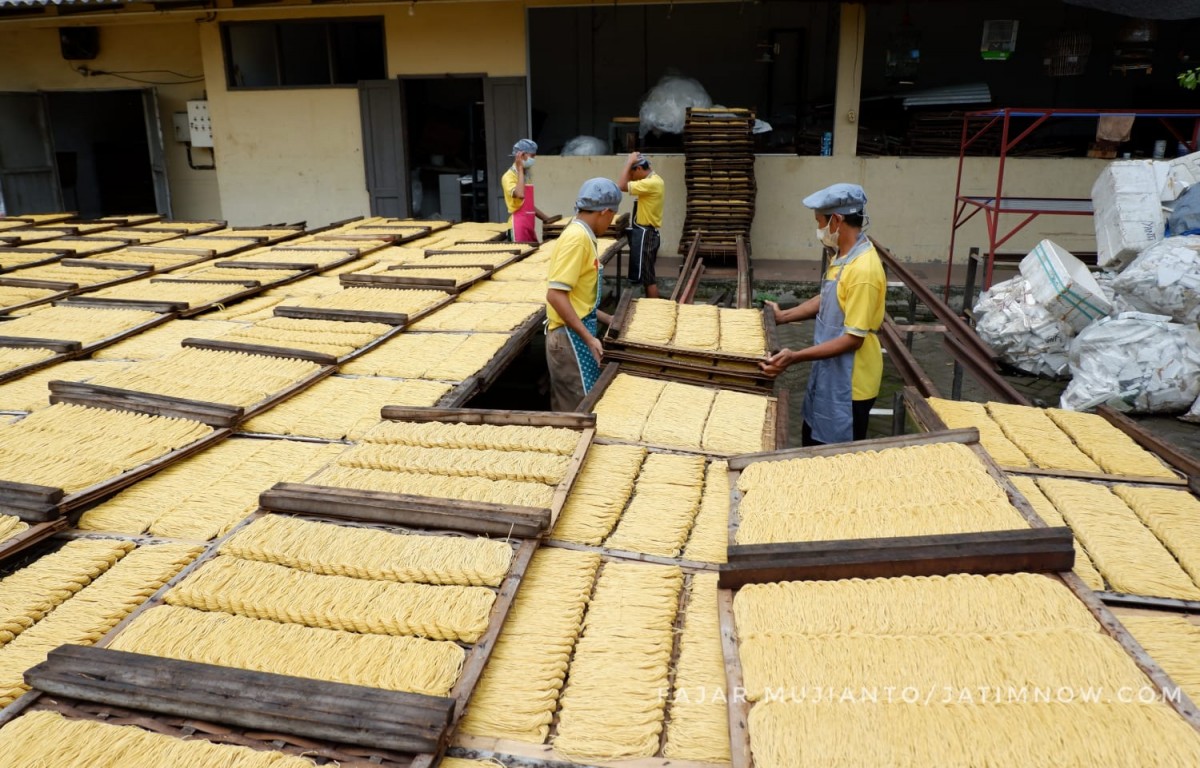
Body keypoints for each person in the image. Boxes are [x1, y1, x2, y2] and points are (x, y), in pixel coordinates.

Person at [760, 182, 886, 446]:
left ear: (836, 220)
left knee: (835, 456)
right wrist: (784, 317)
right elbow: (830, 297)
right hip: (830, 371)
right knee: (813, 440)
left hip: (850, 385)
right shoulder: (844, 255)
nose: (819, 229)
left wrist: (794, 357)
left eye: (820, 222)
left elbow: (853, 339)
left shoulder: (863, 270)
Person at [545, 178, 622, 411]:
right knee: (577, 412)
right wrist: (589, 339)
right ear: (605, 212)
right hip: (568, 339)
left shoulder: (582, 234)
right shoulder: (577, 239)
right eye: (612, 217)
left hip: (574, 334)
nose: (610, 223)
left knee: (575, 406)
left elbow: (577, 299)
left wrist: (608, 319)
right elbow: (555, 295)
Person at [617, 151, 664, 298]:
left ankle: (653, 307)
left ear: (638, 168)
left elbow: (621, 185)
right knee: (646, 276)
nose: (631, 177)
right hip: (645, 233)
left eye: (632, 172)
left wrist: (629, 162)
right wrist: (630, 164)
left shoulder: (651, 183)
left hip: (647, 235)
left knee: (648, 278)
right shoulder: (654, 180)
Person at [501, 138, 551, 243]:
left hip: (529, 224)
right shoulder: (509, 177)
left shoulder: (525, 175)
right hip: (517, 226)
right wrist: (520, 169)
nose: (533, 159)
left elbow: (528, 205)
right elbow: (520, 194)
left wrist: (547, 219)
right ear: (522, 155)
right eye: (532, 156)